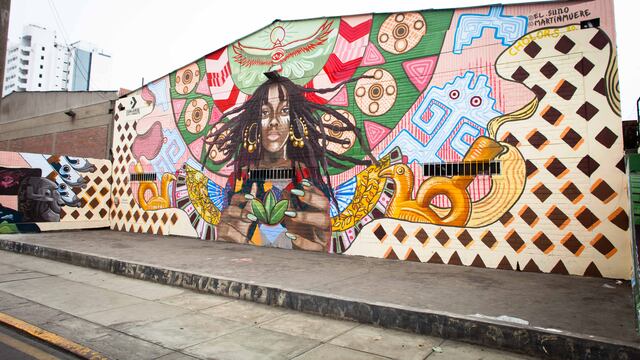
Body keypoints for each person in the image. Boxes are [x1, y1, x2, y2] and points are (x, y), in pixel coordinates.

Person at [202, 71, 376, 251]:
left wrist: (322, 248)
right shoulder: (239, 179)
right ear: (255, 123)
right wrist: (224, 239)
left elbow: (317, 235)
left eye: (284, 110)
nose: (274, 121)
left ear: (295, 121)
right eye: (264, 112)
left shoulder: (307, 178)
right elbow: (227, 228)